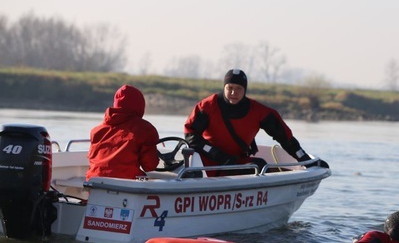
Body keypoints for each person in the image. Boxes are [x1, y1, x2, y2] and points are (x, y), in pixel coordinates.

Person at [184, 68, 328, 174]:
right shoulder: (208, 106)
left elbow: (286, 139)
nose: (234, 93)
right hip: (207, 163)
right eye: (230, 88)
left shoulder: (259, 111)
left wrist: (305, 160)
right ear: (224, 87)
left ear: (245, 90)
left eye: (239, 89)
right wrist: (216, 154)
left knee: (260, 165)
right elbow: (190, 135)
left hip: (236, 163)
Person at [86, 84, 160, 180]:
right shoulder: (145, 129)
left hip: (95, 183)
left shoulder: (96, 131)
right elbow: (150, 166)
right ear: (140, 105)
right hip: (126, 185)